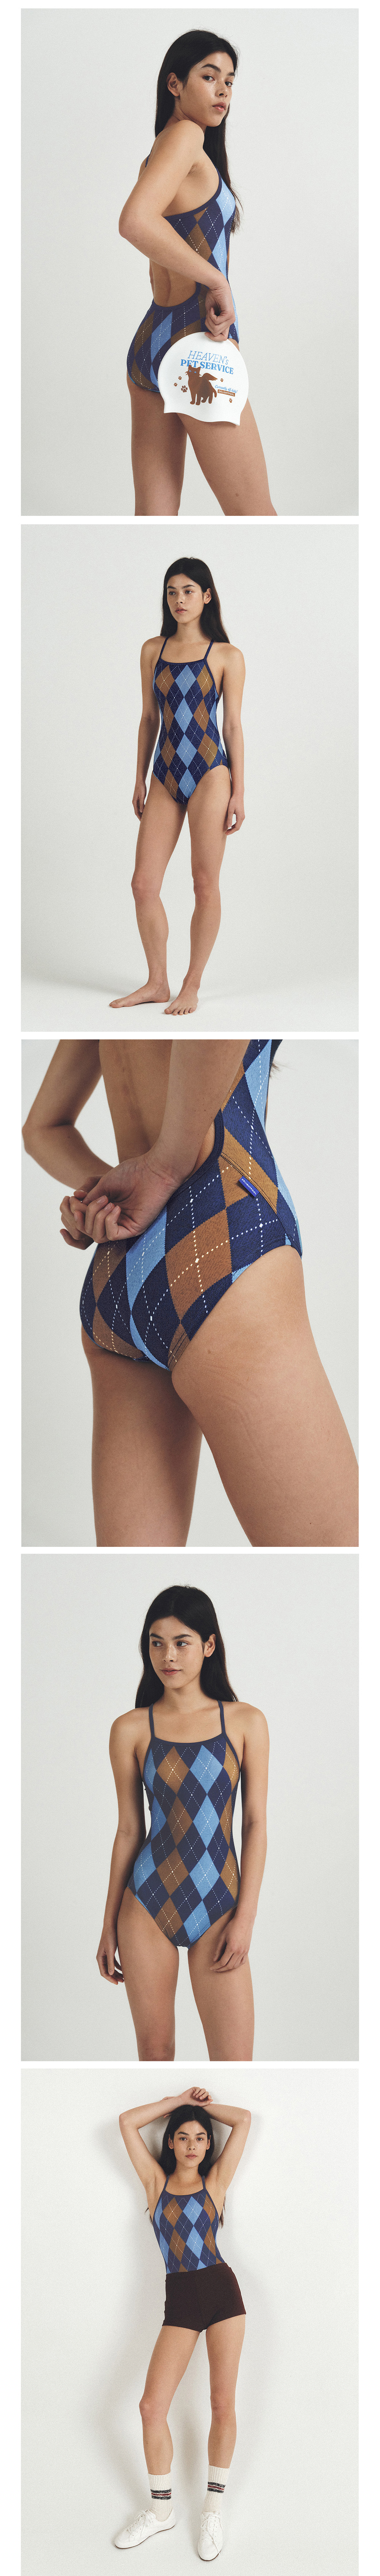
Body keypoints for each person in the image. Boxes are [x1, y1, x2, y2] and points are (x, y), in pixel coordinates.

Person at [22, 1034, 359, 1548]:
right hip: (220, 1233)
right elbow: (213, 1031)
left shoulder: (114, 1001)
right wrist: (162, 1169)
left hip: (120, 1269)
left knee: (138, 1580)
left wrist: (109, 1195)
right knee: (345, 1565)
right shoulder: (194, 990)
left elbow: (41, 1129)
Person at [96, 1585, 269, 2061]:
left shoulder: (246, 1722)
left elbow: (255, 1824)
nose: (167, 1656)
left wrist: (246, 1918)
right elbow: (129, 1830)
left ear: (209, 1645)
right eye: (156, 1643)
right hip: (147, 1902)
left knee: (235, 2062)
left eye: (181, 1642)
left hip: (220, 1903)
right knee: (155, 2053)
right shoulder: (131, 1728)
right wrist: (108, 1925)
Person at [120, 29, 275, 518]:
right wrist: (217, 280)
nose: (223, 90)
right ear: (175, 84)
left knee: (154, 522)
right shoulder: (186, 137)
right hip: (197, 345)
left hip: (152, 341)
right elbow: (136, 222)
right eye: (209, 77)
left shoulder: (162, 151)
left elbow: (155, 244)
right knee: (258, 518)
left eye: (229, 80)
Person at [116, 2086, 250, 2557]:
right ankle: (161, 2512)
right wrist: (178, 2102)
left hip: (222, 2293)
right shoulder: (155, 2184)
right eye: (183, 2137)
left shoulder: (216, 2185)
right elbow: (127, 2122)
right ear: (170, 2142)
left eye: (200, 2137)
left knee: (221, 2403)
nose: (192, 2145)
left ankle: (212, 2511)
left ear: (209, 2145)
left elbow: (244, 2119)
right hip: (181, 2301)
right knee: (151, 2407)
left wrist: (202, 2108)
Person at [110, 558, 245, 1016]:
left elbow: (232, 726)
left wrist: (239, 792)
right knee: (143, 884)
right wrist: (139, 777)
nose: (179, 600)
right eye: (172, 592)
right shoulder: (153, 649)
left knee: (204, 883)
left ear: (206, 596)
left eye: (188, 591)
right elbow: (149, 718)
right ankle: (157, 982)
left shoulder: (226, 656)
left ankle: (192, 983)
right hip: (165, 774)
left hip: (211, 774)